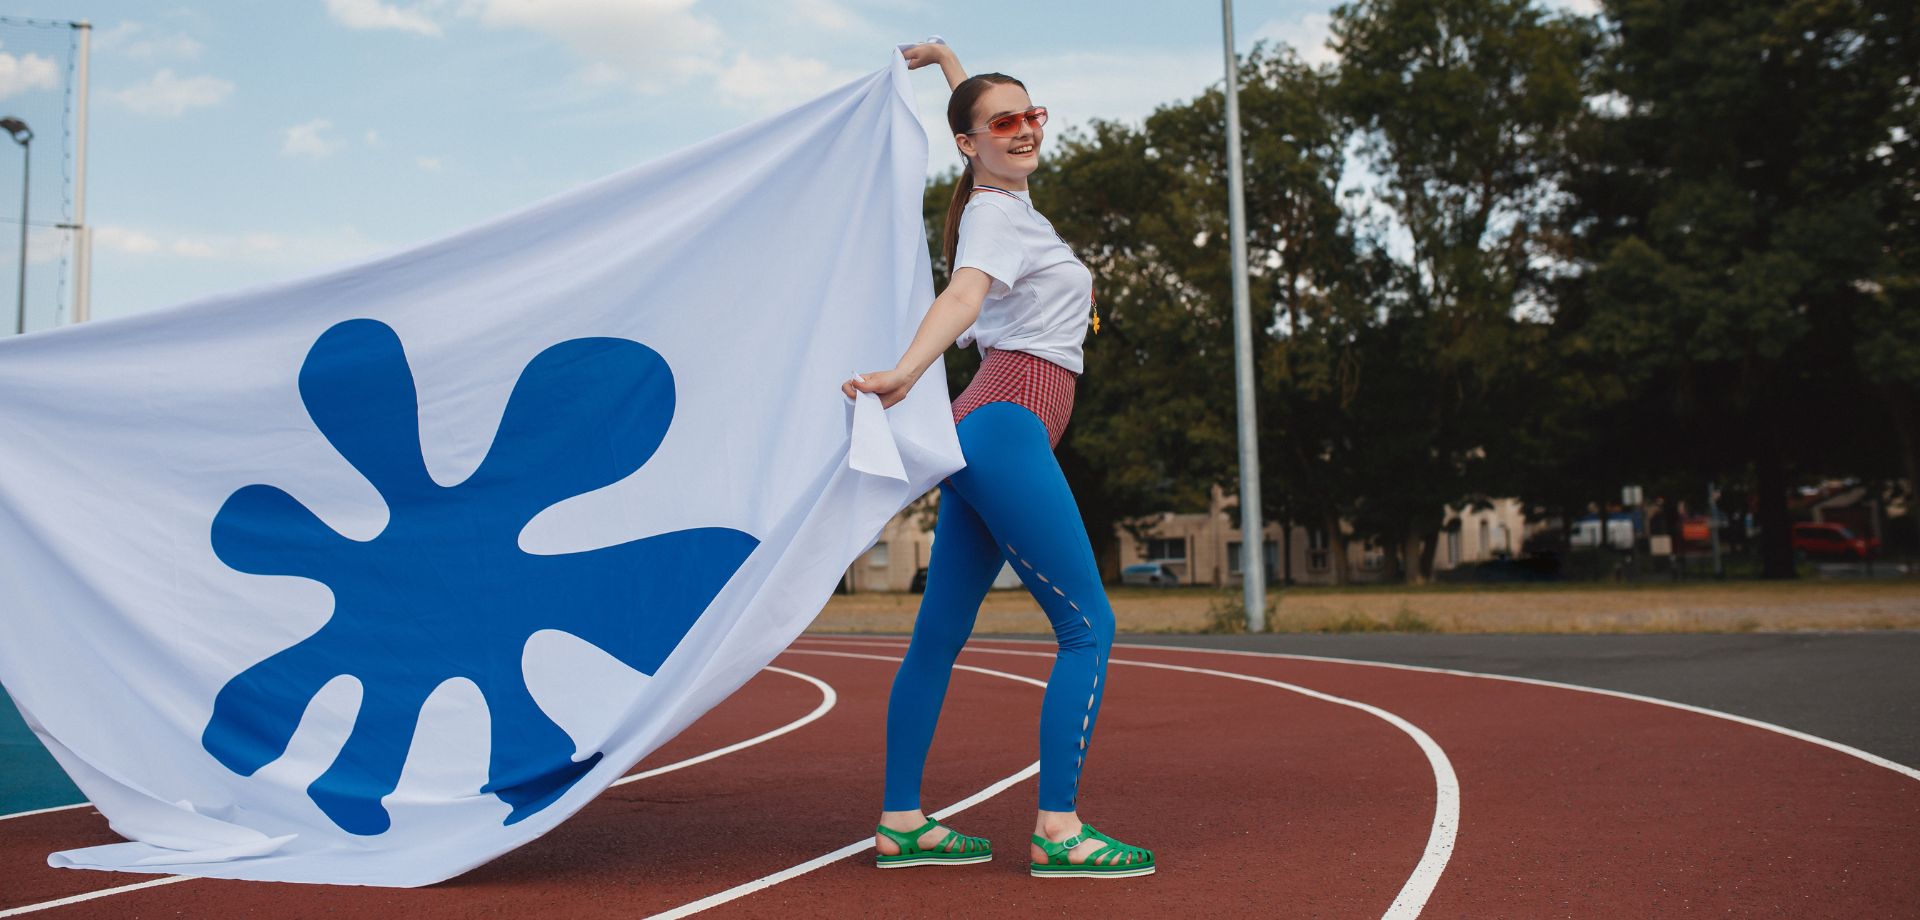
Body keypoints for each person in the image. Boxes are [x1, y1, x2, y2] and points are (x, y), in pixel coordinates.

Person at [841, 40, 1154, 879]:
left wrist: (950, 63)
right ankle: (1059, 832)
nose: (1023, 130)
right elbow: (964, 296)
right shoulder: (991, 215)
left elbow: (976, 125)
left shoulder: (1006, 200)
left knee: (938, 635)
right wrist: (907, 374)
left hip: (983, 429)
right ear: (970, 145)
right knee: (1090, 627)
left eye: (1030, 115)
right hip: (1004, 421)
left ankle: (902, 823)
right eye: (1003, 122)